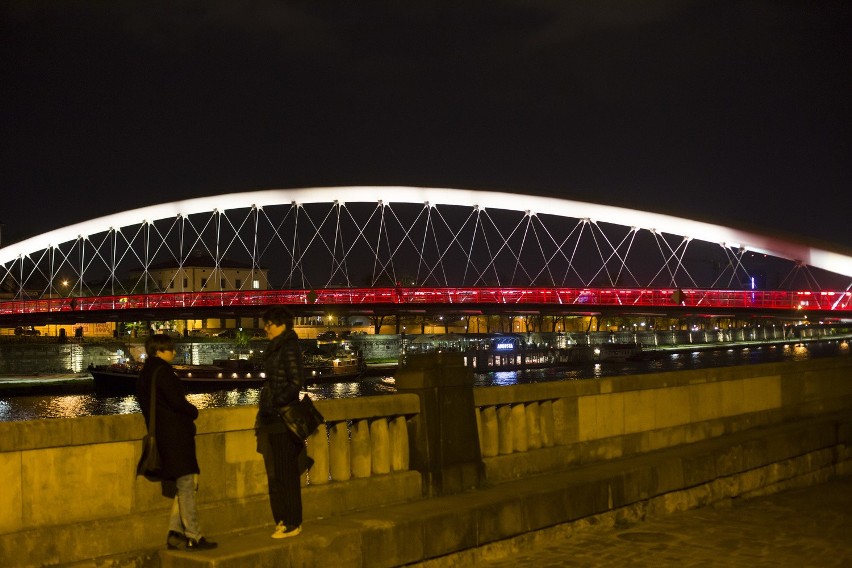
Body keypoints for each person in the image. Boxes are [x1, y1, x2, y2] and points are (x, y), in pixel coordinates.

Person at [136, 334, 217, 551]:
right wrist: (193, 411)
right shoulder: (164, 372)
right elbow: (177, 402)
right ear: (160, 351)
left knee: (182, 486)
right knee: (187, 484)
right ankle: (194, 535)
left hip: (161, 434)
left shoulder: (146, 373)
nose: (173, 352)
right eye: (170, 348)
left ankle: (175, 533)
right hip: (176, 436)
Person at [255, 306, 306, 539]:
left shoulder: (289, 346)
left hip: (283, 418)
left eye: (268, 324)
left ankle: (293, 522)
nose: (265, 328)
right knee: (277, 474)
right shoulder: (276, 347)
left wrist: (277, 402)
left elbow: (296, 382)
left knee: (286, 473)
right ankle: (283, 519)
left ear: (280, 324)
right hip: (272, 418)